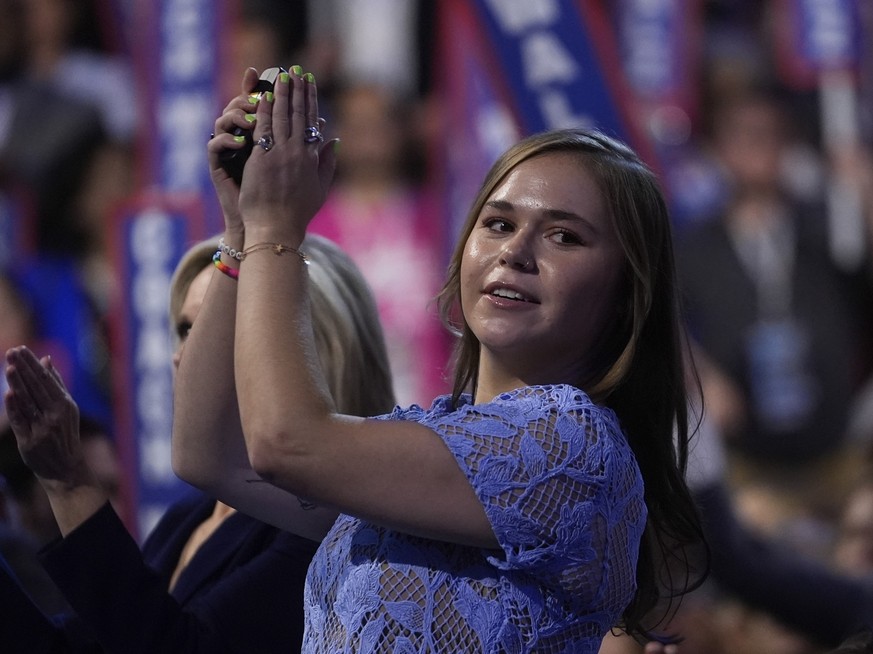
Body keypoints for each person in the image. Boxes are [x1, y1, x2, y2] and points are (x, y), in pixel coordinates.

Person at [173, 67, 705, 651]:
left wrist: (276, 228)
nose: (515, 253)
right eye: (499, 224)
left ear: (629, 294)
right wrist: (241, 230)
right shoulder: (428, 434)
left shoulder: (572, 443)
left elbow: (283, 445)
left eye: (565, 237)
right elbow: (211, 456)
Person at [0, 232, 395, 653]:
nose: (182, 354)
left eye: (216, 328)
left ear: (314, 348)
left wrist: (69, 482)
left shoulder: (330, 524)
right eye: (186, 329)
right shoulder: (187, 518)